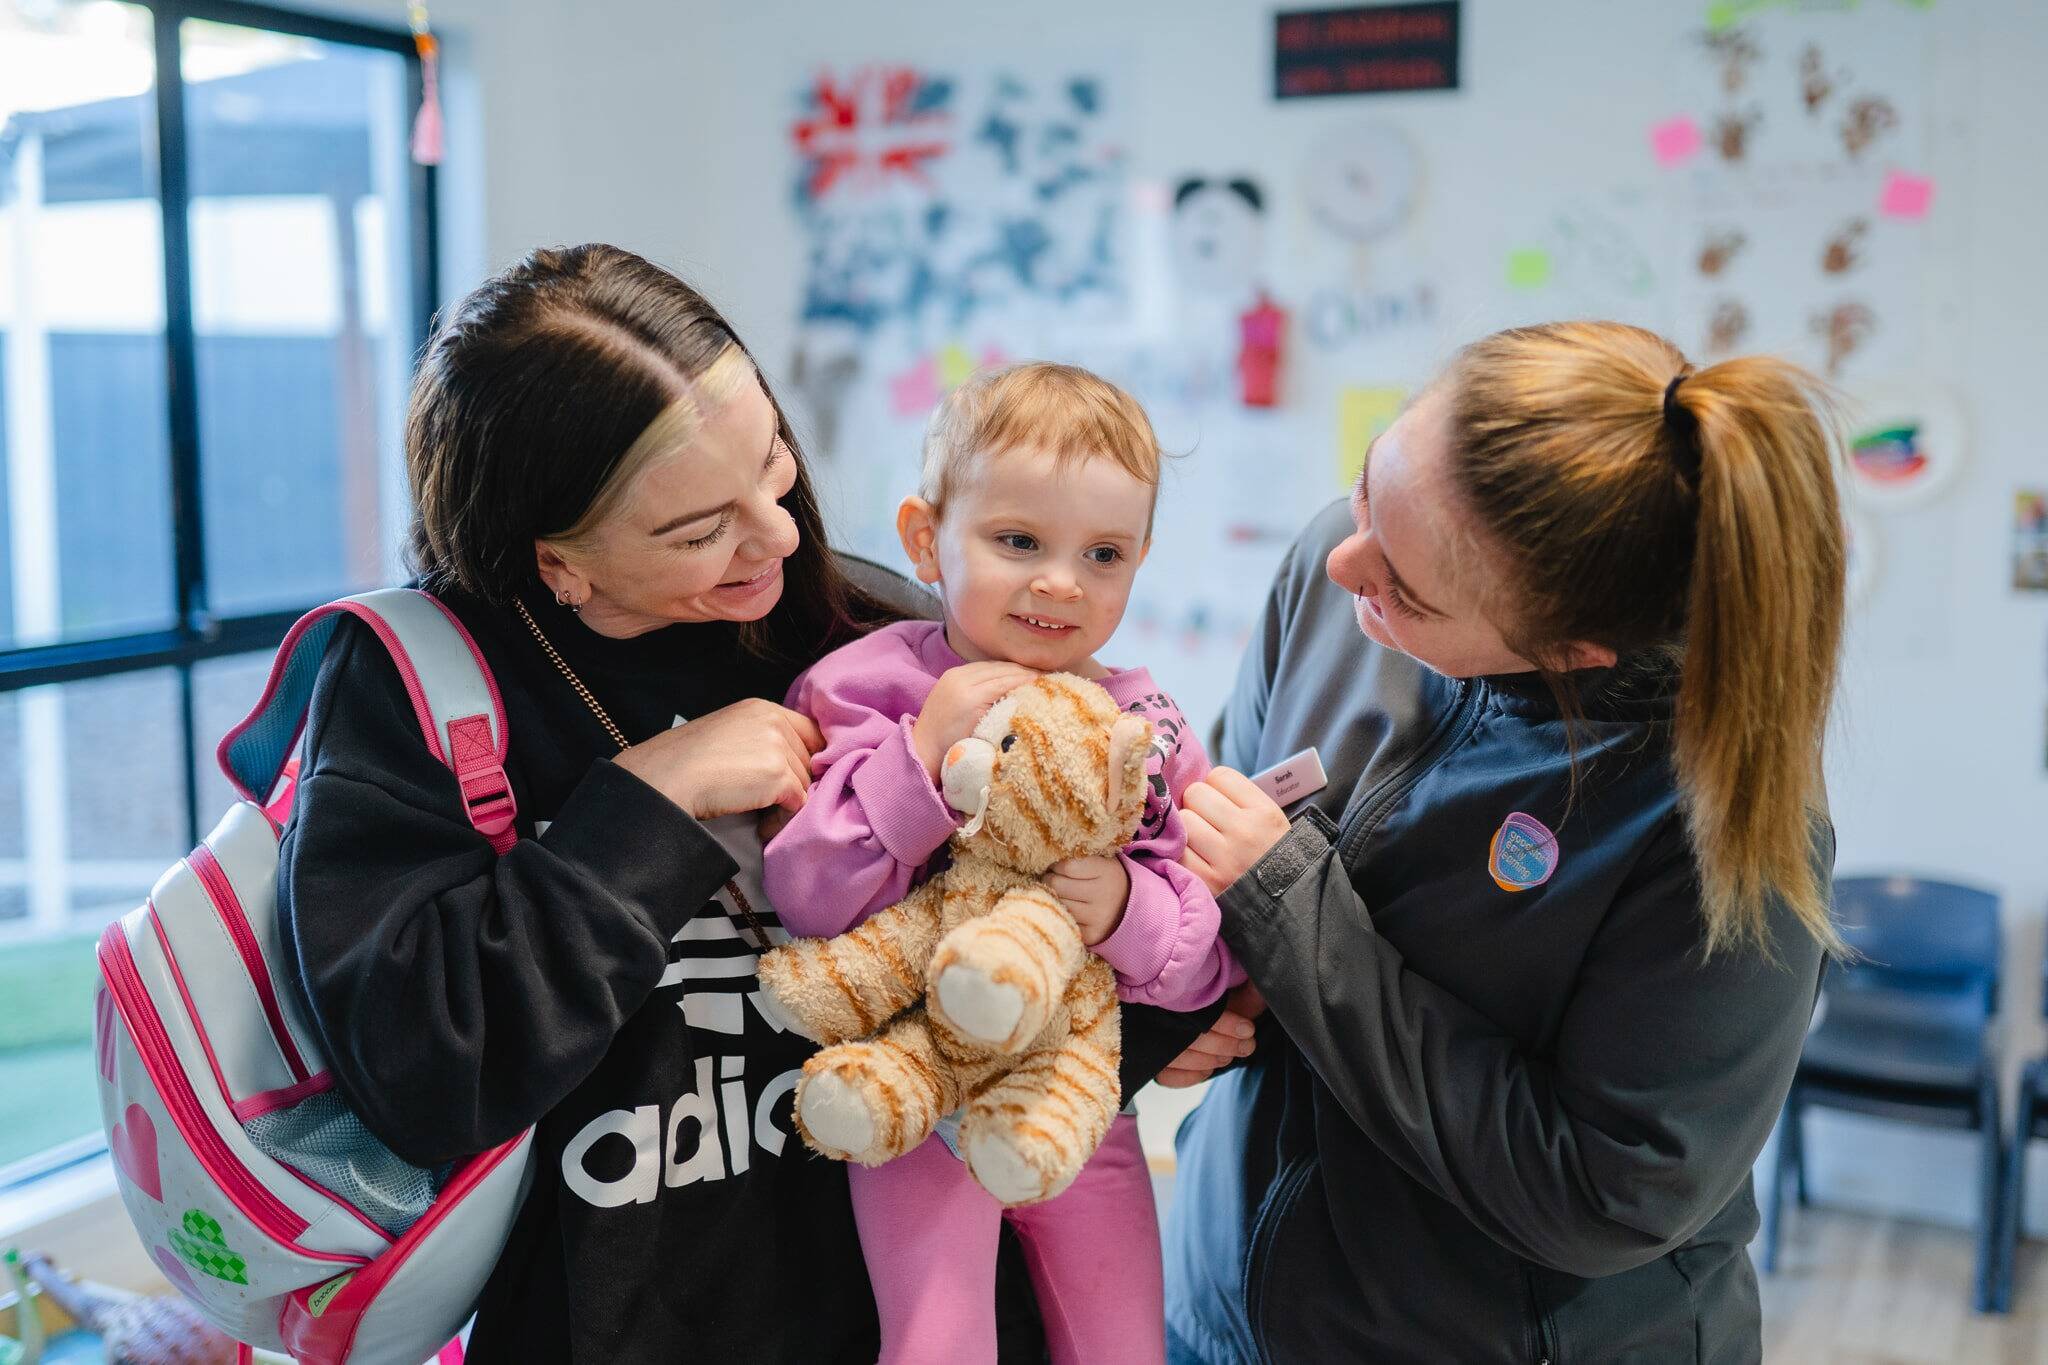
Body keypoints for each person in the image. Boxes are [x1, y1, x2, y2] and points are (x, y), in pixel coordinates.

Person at [275, 245, 1201, 1361]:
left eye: (771, 466)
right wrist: (644, 806)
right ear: (556, 563)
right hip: (616, 1316)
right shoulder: (426, 690)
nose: (773, 535)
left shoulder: (871, 629)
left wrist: (1176, 1005)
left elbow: (1055, 900)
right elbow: (423, 1074)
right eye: (696, 529)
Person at [1157, 322, 1846, 1363]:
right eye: (1360, 492)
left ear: (1571, 649)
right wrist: (1183, 999)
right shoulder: (1329, 571)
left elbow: (1602, 1194)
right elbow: (1209, 854)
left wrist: (1290, 915)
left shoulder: (1715, 823)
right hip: (1222, 1304)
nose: (1343, 564)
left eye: (1407, 589)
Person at [762, 363, 1240, 1365]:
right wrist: (922, 752)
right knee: (935, 1345)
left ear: (1137, 564)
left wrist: (1123, 910)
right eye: (1017, 540)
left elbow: (1204, 966)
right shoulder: (865, 687)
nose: (1060, 581)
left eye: (1101, 554)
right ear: (925, 538)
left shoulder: (1139, 727)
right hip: (922, 1093)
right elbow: (806, 893)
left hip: (1076, 1102)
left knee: (1122, 1348)